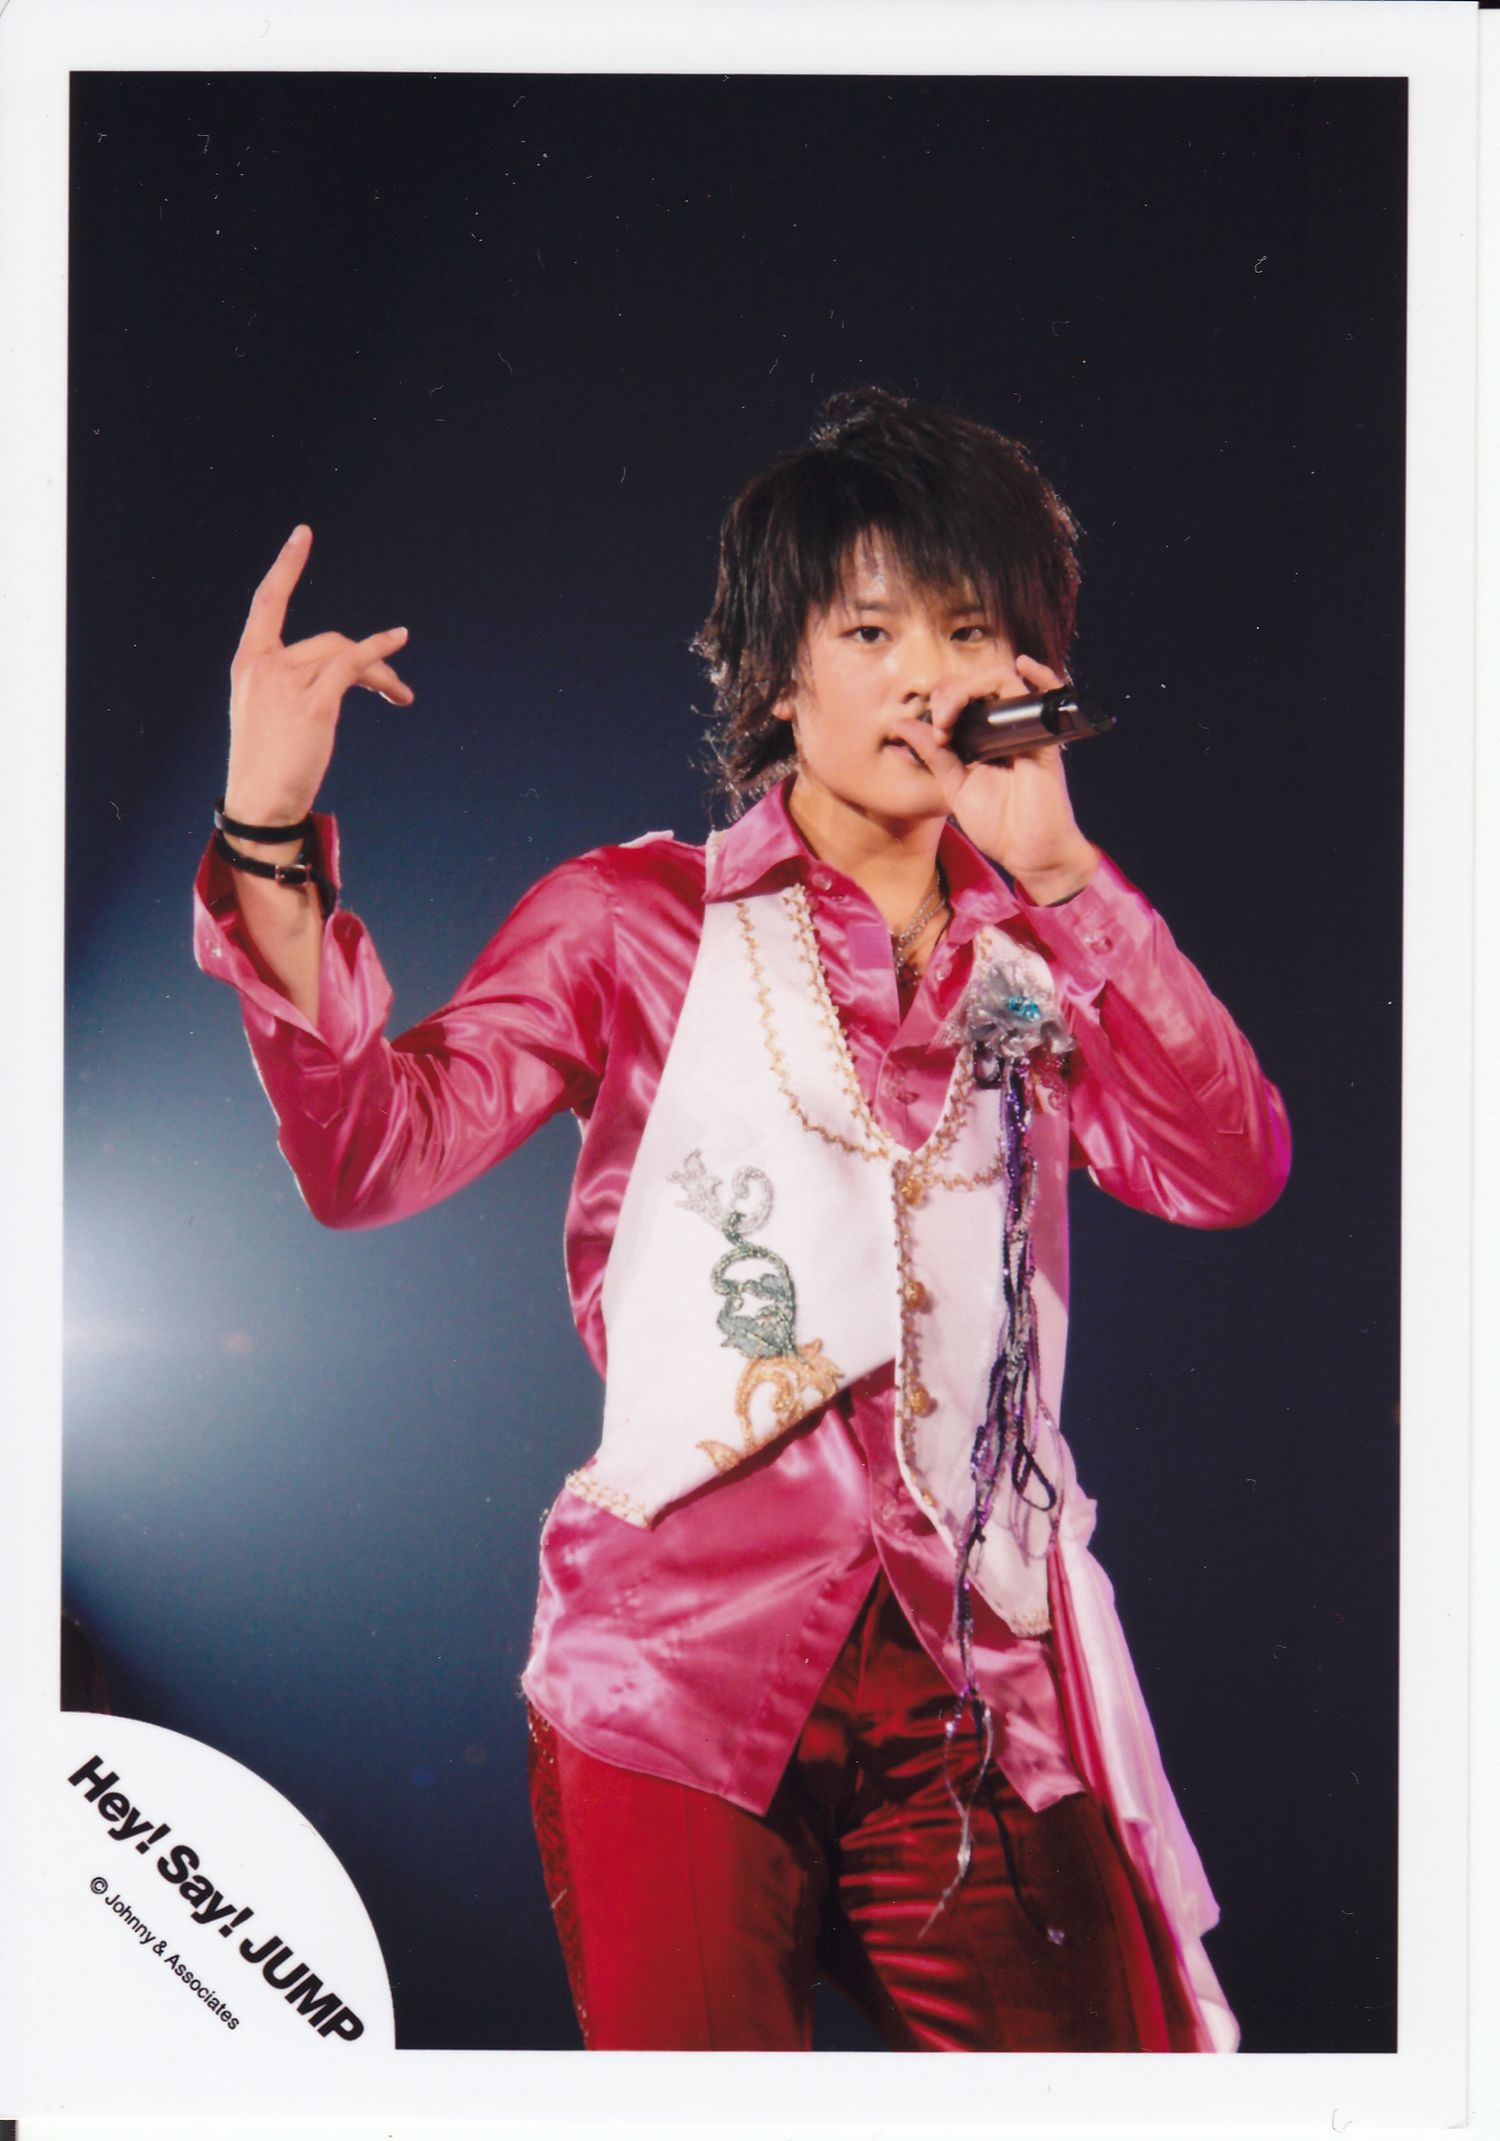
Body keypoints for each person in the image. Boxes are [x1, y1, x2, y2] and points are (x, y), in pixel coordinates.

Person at [195, 386, 1291, 2053]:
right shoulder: (631, 918)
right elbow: (370, 1155)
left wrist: (1065, 874)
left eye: (968, 631)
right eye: (874, 630)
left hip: (981, 1691)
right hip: (680, 1674)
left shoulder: (1044, 954)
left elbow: (1229, 1165)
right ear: (783, 675)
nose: (926, 675)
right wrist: (267, 829)